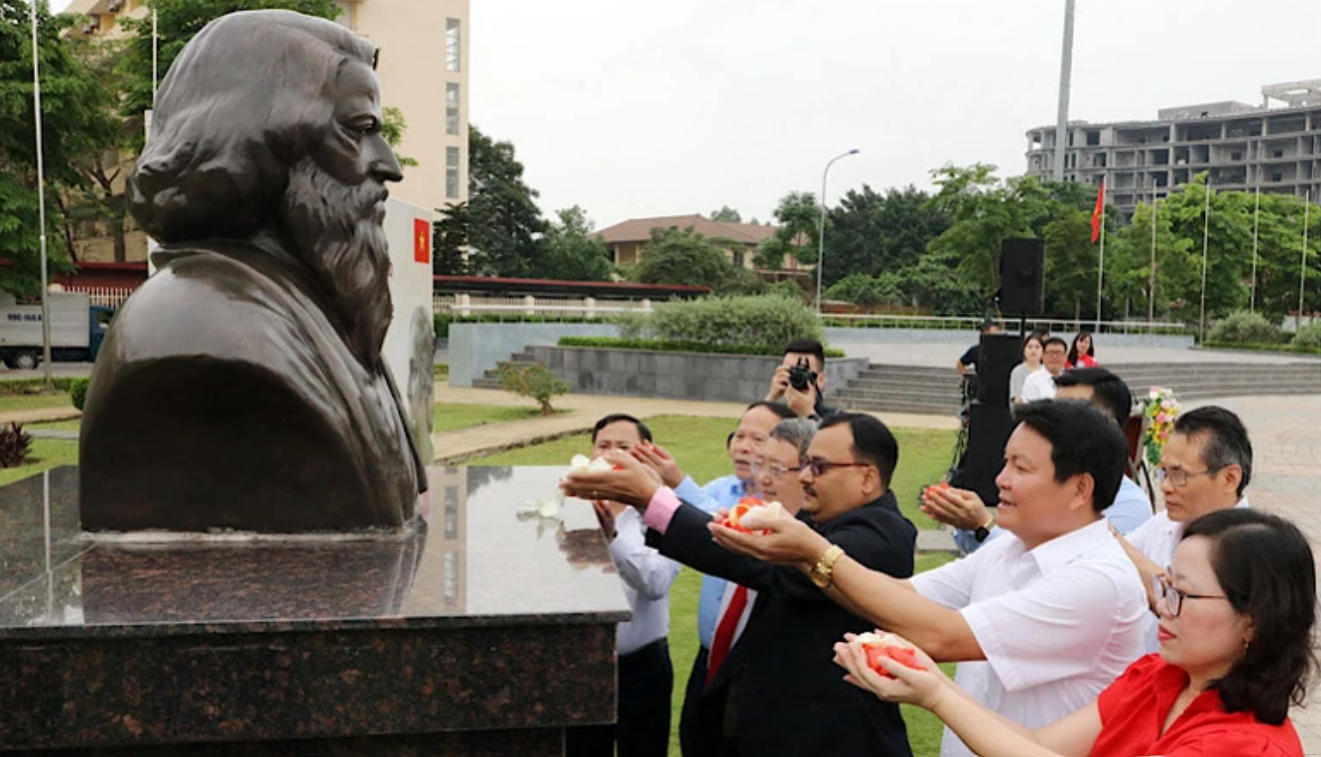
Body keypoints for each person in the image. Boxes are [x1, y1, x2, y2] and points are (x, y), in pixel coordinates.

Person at [80, 11, 426, 532]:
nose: (389, 164)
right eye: (360, 130)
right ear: (263, 140)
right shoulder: (195, 326)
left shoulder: (320, 309)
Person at [711, 400, 1148, 757]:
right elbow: (905, 596)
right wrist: (804, 557)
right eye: (1005, 463)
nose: (1001, 480)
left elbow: (941, 635)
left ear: (1079, 489)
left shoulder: (1098, 579)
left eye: (1021, 468)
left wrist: (814, 551)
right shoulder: (1009, 546)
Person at [562, 413, 917, 757]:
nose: (806, 477)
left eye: (819, 467)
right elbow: (733, 538)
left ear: (868, 478)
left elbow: (760, 560)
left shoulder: (880, 537)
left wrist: (652, 499)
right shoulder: (819, 518)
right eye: (806, 464)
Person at [835, 508, 1314, 757]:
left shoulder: (1243, 746)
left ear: (1254, 618)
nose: (1163, 611)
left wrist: (936, 696)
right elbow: (1040, 745)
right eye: (1165, 588)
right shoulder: (1157, 678)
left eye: (1183, 596)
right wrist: (932, 683)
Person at [627, 401, 795, 755]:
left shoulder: (788, 513)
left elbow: (720, 534)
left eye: (758, 438)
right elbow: (690, 528)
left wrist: (675, 486)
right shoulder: (721, 488)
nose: (744, 445)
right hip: (709, 655)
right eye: (740, 434)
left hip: (751, 667)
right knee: (697, 738)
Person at [925, 367, 1153, 554]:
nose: (1002, 480)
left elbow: (1046, 568)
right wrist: (970, 523)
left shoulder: (1129, 507)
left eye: (1069, 413)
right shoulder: (1049, 487)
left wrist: (984, 525)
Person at [567, 415, 680, 757]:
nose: (611, 454)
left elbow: (657, 581)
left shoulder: (663, 512)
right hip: (581, 664)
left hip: (642, 667)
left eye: (623, 447)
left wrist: (611, 538)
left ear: (645, 455)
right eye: (603, 445)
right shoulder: (571, 505)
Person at [1117, 405, 1254, 653]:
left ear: (1229, 478)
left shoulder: (1255, 551)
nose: (1166, 487)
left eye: (1179, 475)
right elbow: (1115, 558)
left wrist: (1111, 536)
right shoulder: (1165, 523)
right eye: (1163, 473)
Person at [765, 339, 837, 420]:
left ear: (820, 379)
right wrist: (770, 398)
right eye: (792, 371)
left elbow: (826, 432)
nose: (798, 376)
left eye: (804, 372)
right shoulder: (774, 418)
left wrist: (809, 414)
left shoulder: (836, 419)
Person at [1019, 337, 1067, 402]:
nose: (1055, 357)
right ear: (1043, 355)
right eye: (1051, 353)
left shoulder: (1071, 381)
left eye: (1059, 353)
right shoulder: (1032, 380)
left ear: (1065, 357)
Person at [1008, 334, 1044, 405]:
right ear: (1024, 350)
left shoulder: (1047, 371)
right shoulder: (1017, 371)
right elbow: (1016, 398)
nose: (1033, 350)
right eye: (1030, 347)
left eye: (1037, 347)